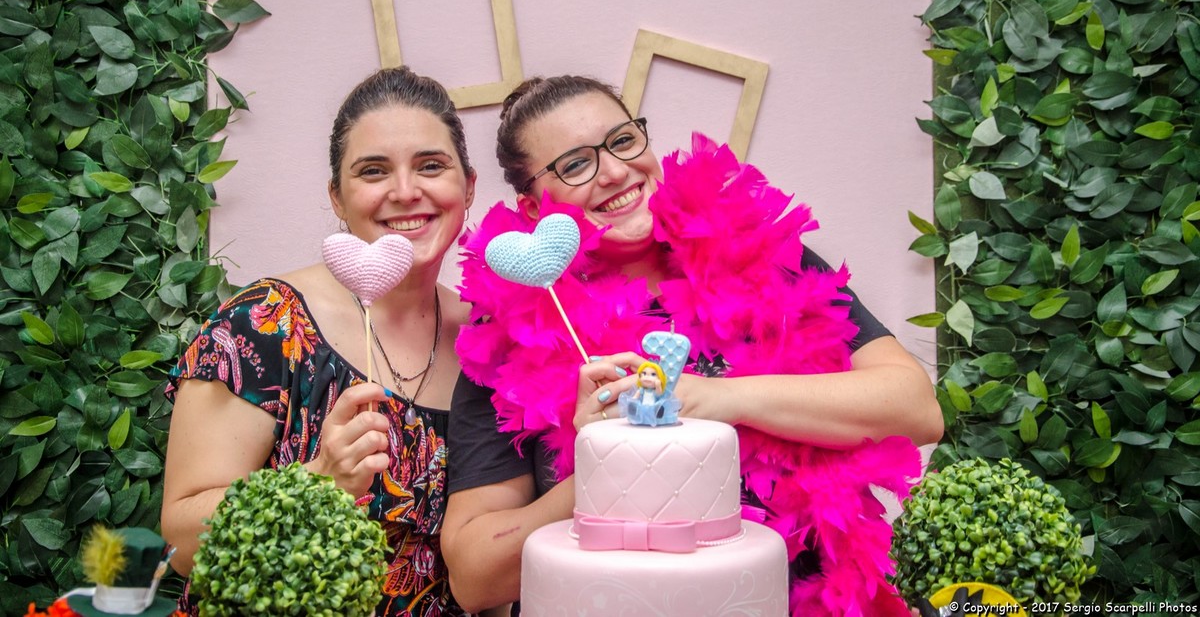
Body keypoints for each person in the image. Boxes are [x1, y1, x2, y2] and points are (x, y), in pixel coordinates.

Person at [441, 75, 944, 617]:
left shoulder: (769, 258)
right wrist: (608, 463)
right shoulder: (511, 333)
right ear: (533, 209)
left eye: (623, 140)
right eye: (576, 164)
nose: (615, 171)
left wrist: (720, 398)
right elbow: (473, 577)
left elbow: (916, 408)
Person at [162, 67, 476, 617]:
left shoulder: (487, 337)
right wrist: (318, 481)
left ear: (468, 186)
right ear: (337, 197)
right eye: (373, 171)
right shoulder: (262, 324)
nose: (406, 192)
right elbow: (182, 543)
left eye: (431, 165)